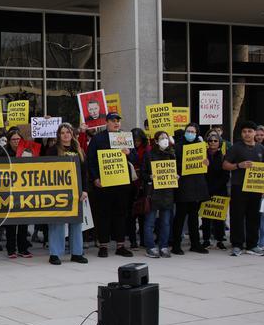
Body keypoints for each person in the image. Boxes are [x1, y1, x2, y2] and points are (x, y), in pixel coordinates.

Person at [86, 112, 135, 258]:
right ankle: (103, 245)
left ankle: (120, 245)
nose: (116, 123)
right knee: (103, 214)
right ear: (107, 122)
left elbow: (135, 157)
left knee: (121, 214)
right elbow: (90, 160)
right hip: (104, 184)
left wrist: (129, 153)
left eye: (118, 121)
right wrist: (95, 178)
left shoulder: (125, 137)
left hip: (122, 183)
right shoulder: (98, 138)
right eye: (113, 120)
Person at [45, 123, 89, 265]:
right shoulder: (52, 150)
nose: (65, 135)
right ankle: (55, 254)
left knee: (76, 223)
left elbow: (84, 172)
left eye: (68, 132)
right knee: (57, 222)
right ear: (58, 135)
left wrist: (85, 190)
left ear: (72, 134)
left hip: (76, 191)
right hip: (58, 192)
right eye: (62, 132)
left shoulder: (79, 150)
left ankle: (77, 253)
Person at [223, 120, 264, 256]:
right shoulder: (236, 148)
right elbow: (225, 165)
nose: (247, 134)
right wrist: (238, 165)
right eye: (244, 131)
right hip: (239, 186)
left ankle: (252, 245)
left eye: (250, 131)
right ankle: (237, 245)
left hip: (256, 187)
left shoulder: (261, 149)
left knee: (254, 217)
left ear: (255, 133)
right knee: (237, 216)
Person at [170, 123, 210, 255]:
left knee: (194, 217)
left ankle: (195, 244)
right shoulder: (178, 147)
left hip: (196, 186)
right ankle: (176, 245)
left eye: (193, 132)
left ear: (197, 134)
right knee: (180, 216)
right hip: (183, 186)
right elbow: (174, 164)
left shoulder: (201, 147)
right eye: (188, 131)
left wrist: (206, 162)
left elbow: (205, 165)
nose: (190, 134)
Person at [142, 131, 177, 259]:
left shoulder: (172, 154)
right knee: (150, 222)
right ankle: (150, 247)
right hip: (153, 192)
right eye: (162, 138)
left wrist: (176, 176)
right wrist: (150, 176)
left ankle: (163, 246)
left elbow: (176, 170)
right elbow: (143, 173)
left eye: (166, 138)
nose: (165, 140)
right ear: (156, 141)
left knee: (166, 222)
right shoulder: (149, 154)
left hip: (167, 192)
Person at [1, 129, 33, 259]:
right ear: (9, 141)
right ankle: (11, 249)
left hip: (24, 190)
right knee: (11, 222)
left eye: (18, 139)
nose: (16, 142)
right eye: (13, 139)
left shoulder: (27, 152)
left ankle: (23, 248)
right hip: (9, 190)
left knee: (24, 221)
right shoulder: (4, 152)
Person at [201, 132, 229, 250]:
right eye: (210, 141)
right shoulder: (202, 155)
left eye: (215, 141)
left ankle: (219, 240)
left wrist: (215, 187)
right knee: (205, 217)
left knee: (219, 218)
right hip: (205, 190)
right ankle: (206, 240)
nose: (212, 143)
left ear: (219, 143)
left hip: (220, 190)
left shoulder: (224, 157)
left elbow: (225, 176)